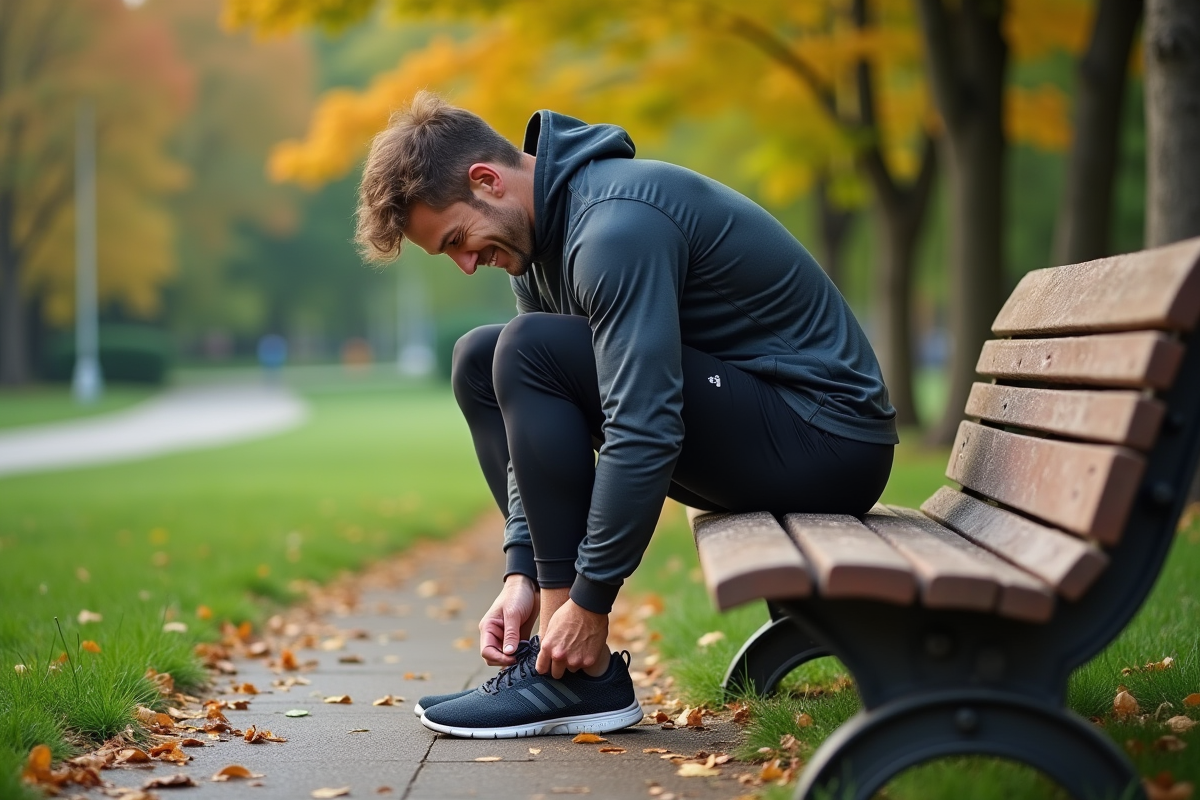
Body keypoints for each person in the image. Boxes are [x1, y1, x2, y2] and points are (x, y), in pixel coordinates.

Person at [355, 92, 897, 739]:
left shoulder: (614, 225)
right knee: (481, 356)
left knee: (525, 349)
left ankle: (570, 678)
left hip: (828, 437)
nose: (467, 263)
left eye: (456, 240)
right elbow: (532, 404)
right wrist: (522, 569)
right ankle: (561, 669)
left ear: (486, 181)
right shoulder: (542, 242)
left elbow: (645, 426)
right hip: (770, 428)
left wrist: (588, 603)